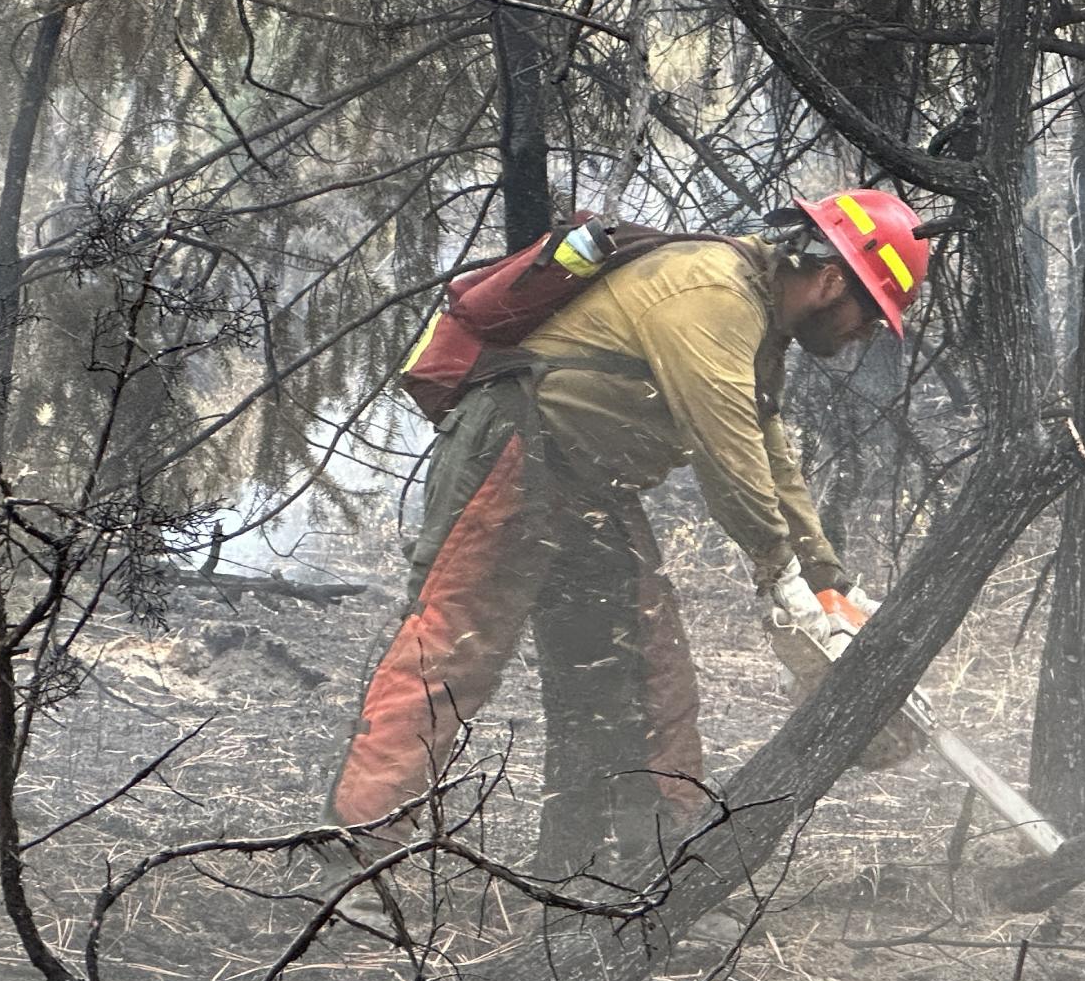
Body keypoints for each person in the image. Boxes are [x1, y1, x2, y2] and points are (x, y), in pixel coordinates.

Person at [328, 188, 929, 869]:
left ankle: (648, 871)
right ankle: (351, 856)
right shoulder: (713, 295)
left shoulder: (758, 315)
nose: (865, 334)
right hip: (515, 451)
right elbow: (727, 452)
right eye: (869, 314)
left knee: (646, 669)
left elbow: (769, 452)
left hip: (591, 485)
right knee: (449, 652)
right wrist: (775, 572)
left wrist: (826, 582)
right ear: (828, 280)